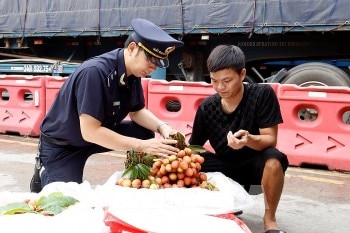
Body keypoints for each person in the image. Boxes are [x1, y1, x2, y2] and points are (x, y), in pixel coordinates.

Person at [30, 18, 184, 193]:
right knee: (66, 198)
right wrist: (142, 146)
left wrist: (163, 128)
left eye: (157, 64)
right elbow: (90, 131)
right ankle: (44, 173)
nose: (152, 69)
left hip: (97, 134)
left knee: (143, 133)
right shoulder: (95, 72)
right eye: (150, 61)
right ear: (132, 48)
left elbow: (137, 111)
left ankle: (141, 178)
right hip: (64, 145)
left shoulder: (133, 72)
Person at [188, 45, 288, 233]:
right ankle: (224, 204)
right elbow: (194, 146)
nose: (220, 87)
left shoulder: (262, 94)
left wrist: (248, 139)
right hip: (224, 169)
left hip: (255, 171)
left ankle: (269, 219)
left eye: (227, 80)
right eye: (214, 81)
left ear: (242, 74)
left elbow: (270, 139)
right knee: (191, 162)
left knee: (275, 158)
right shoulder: (207, 107)